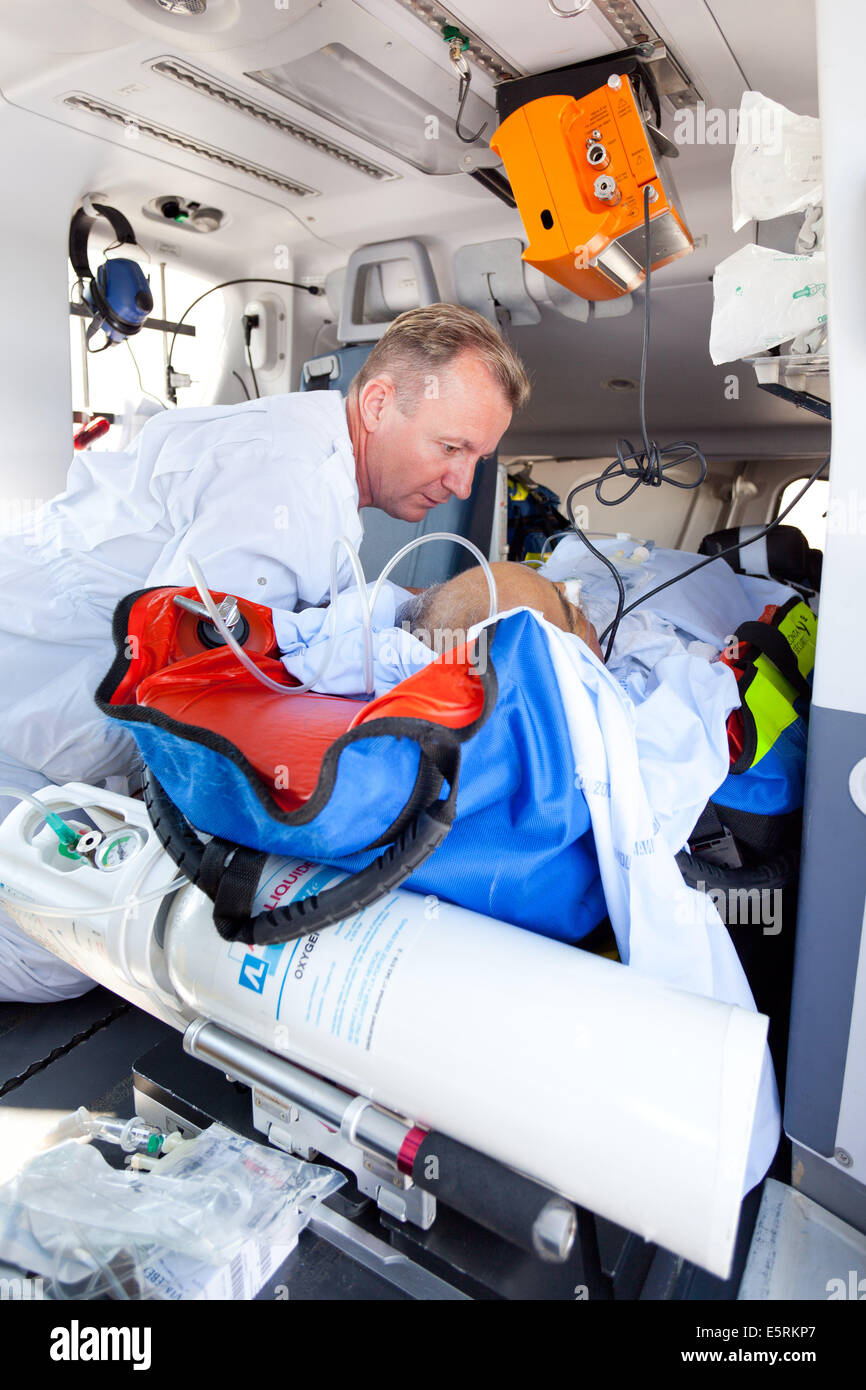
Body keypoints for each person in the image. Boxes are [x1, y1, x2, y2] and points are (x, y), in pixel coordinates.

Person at [0, 303, 530, 1002]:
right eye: (451, 448)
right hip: (25, 698)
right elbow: (196, 686)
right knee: (55, 959)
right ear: (377, 403)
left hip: (42, 715)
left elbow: (284, 623)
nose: (461, 484)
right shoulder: (292, 489)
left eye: (478, 460)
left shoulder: (306, 461)